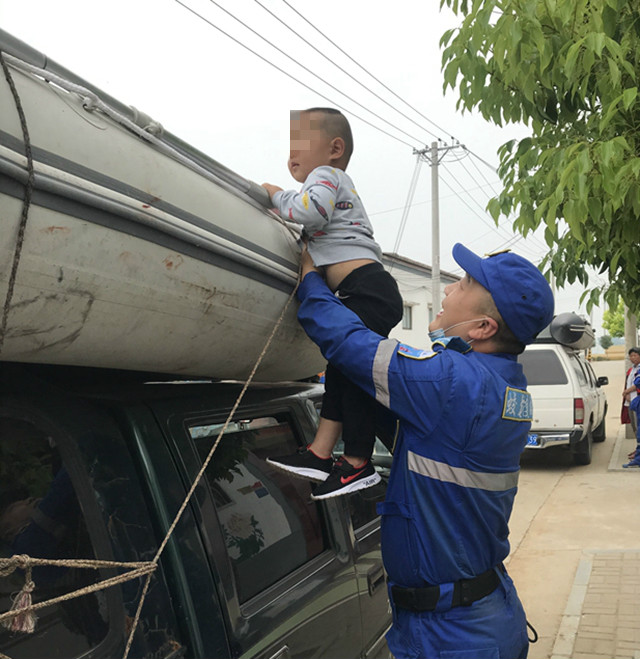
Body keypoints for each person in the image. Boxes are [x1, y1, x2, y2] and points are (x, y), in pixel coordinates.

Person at [294, 242, 554, 659]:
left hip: (455, 636)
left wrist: (309, 277)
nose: (450, 289)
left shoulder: (454, 386)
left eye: (465, 283)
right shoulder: (505, 388)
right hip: (472, 617)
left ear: (483, 327)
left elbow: (348, 342)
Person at [262, 107, 403, 499]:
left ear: (334, 148)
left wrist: (275, 195)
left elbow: (309, 209)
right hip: (367, 290)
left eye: (299, 144)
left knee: (353, 371)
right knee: (342, 368)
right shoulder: (335, 183)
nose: (291, 156)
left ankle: (356, 462)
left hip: (367, 290)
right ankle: (322, 454)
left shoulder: (326, 177)